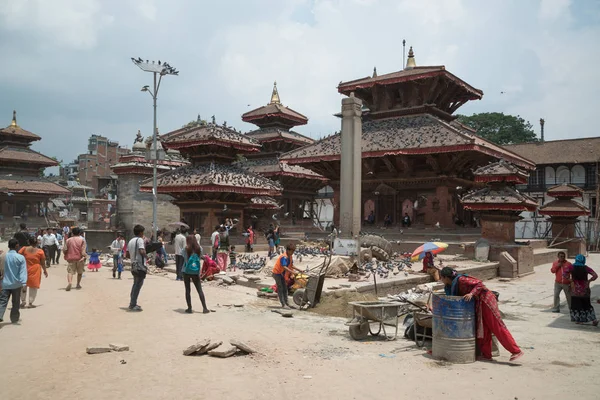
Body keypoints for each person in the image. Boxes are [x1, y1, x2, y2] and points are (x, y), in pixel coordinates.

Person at [440, 267, 524, 361]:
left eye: (441, 278)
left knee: (497, 326)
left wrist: (471, 294)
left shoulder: (461, 279)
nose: (441, 280)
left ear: (446, 277)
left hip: (486, 301)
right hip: (479, 304)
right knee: (483, 329)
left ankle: (516, 351)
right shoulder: (451, 285)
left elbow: (479, 284)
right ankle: (486, 355)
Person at [562, 254, 598, 326]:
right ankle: (594, 320)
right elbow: (595, 275)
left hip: (575, 289)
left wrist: (570, 280)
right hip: (585, 289)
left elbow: (564, 274)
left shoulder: (571, 267)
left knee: (577, 305)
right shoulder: (586, 268)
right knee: (587, 304)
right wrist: (589, 281)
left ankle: (580, 320)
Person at [0, 239, 28, 323]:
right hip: (16, 284)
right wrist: (24, 283)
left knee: (2, 301)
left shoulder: (2, 256)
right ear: (16, 246)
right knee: (15, 302)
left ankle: (0, 315)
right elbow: (23, 271)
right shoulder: (20, 257)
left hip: (4, 283)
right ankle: (14, 318)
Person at [181, 235, 209, 314]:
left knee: (187, 290)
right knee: (199, 290)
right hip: (195, 271)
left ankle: (189, 308)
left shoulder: (185, 249)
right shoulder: (199, 248)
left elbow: (182, 256)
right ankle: (205, 308)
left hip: (186, 270)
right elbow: (201, 257)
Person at [18, 236, 48, 308]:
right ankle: (30, 302)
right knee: (33, 286)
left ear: (29, 242)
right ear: (37, 242)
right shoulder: (40, 251)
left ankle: (23, 300)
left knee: (23, 284)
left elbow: (18, 257)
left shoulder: (24, 249)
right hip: (35, 269)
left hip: (24, 268)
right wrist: (45, 271)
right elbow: (43, 263)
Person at [271, 243, 303, 309]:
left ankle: (287, 303)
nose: (293, 253)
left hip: (281, 273)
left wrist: (299, 270)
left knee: (285, 288)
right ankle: (283, 304)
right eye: (292, 251)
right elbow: (284, 266)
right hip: (277, 273)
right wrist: (293, 272)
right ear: (288, 250)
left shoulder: (290, 256)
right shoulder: (284, 257)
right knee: (280, 288)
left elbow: (291, 265)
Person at [128, 224, 147, 312]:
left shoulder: (131, 240)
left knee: (135, 284)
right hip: (139, 265)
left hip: (133, 264)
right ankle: (133, 304)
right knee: (138, 285)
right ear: (140, 232)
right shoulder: (140, 240)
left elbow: (127, 254)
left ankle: (132, 302)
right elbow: (141, 250)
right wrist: (147, 257)